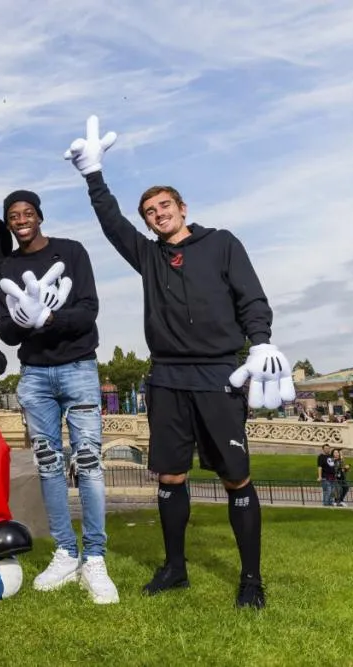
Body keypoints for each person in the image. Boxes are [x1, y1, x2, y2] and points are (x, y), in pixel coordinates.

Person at [64, 115, 296, 610]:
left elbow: (252, 299)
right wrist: (93, 176)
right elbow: (112, 224)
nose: (157, 214)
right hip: (167, 377)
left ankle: (250, 579)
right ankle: (175, 569)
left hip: (219, 374)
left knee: (235, 476)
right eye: (149, 212)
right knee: (169, 477)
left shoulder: (222, 244)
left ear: (182, 208)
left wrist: (260, 342)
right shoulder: (148, 257)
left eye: (164, 206)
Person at [0, 190, 120, 605]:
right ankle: (66, 552)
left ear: (39, 216)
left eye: (27, 213)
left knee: (89, 463)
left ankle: (95, 557)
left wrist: (48, 318)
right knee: (48, 465)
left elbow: (88, 310)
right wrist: (23, 319)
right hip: (34, 375)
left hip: (78, 367)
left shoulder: (72, 252)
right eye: (14, 216)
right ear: (9, 223)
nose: (21, 220)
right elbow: (7, 332)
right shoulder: (6, 268)